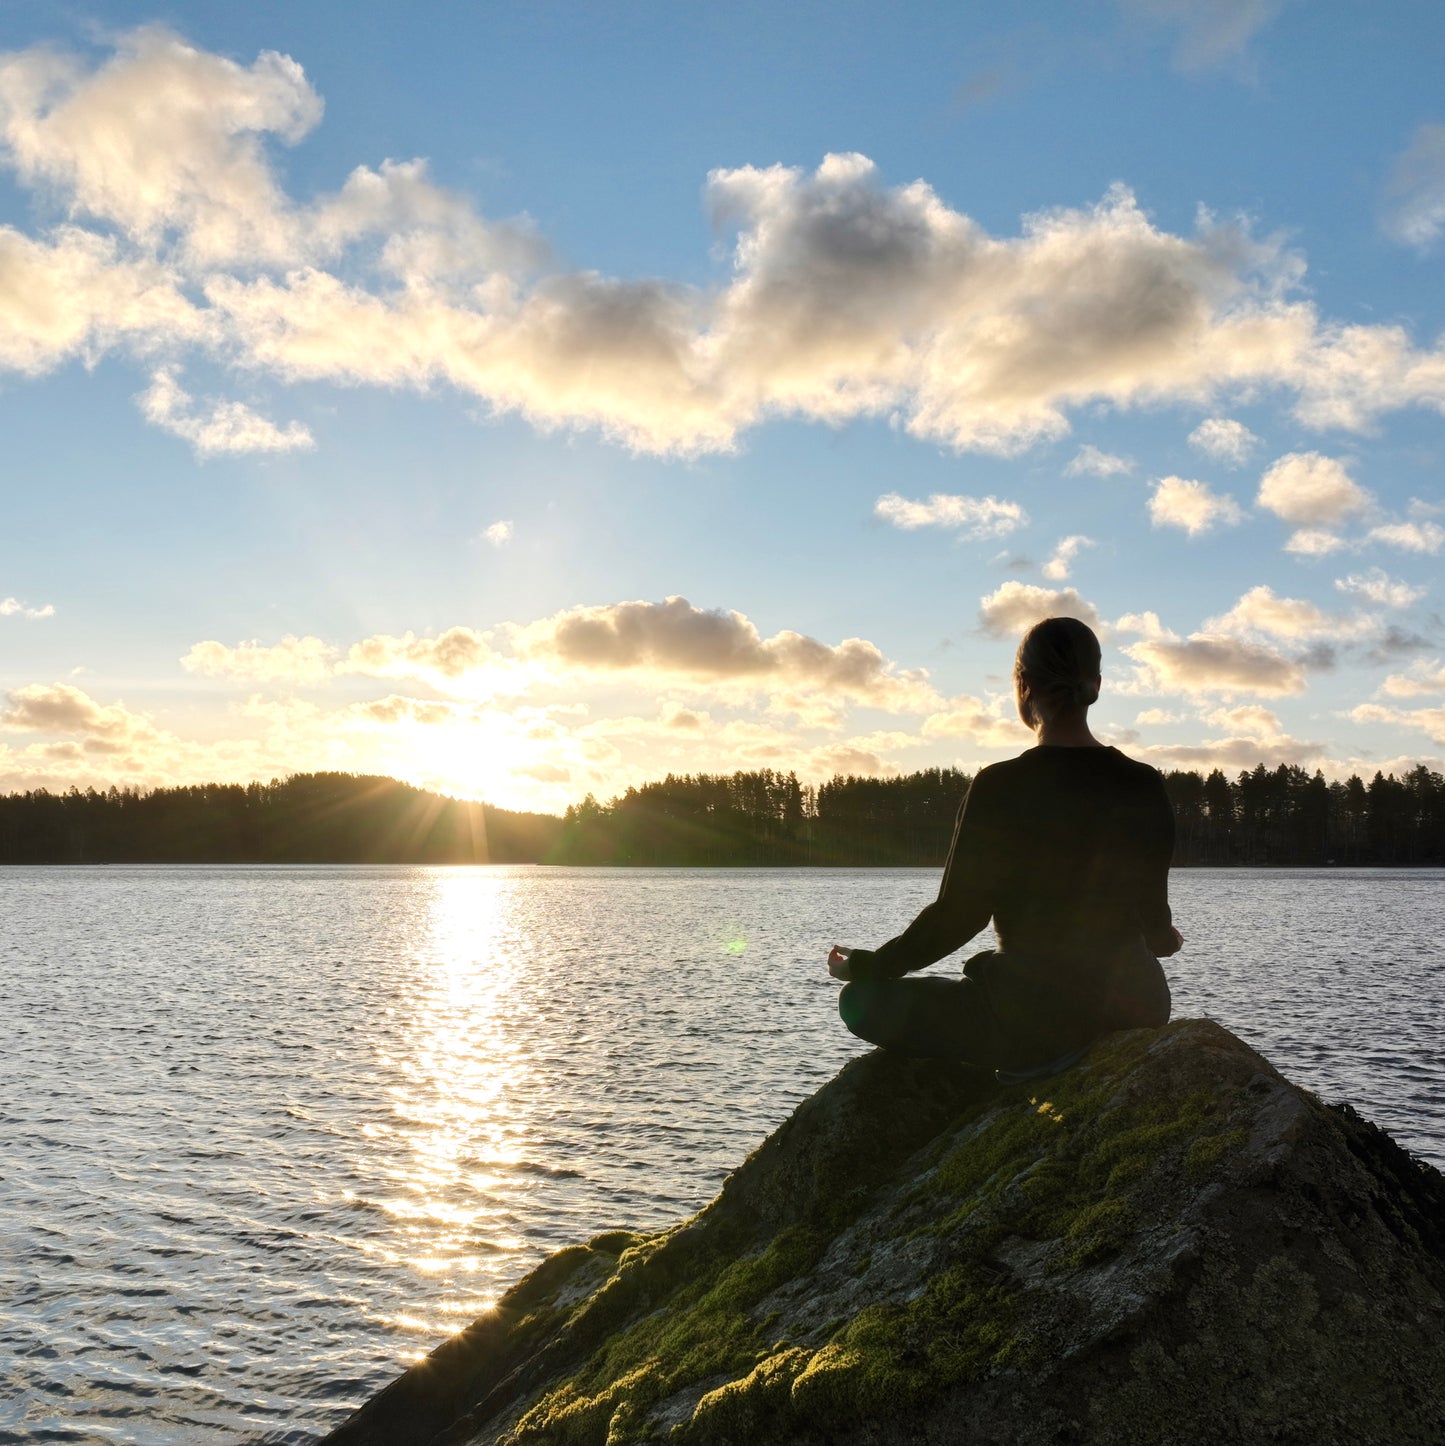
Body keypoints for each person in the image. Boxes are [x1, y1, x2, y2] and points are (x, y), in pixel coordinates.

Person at [829, 616, 1182, 1072]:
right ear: (1095, 685)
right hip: (1138, 1007)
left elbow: (958, 916)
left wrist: (869, 967)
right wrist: (1160, 938)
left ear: (1022, 685)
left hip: (1031, 1017)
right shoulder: (1144, 783)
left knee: (858, 1002)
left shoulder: (1000, 786)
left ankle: (1023, 1064)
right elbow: (1154, 920)